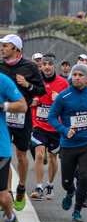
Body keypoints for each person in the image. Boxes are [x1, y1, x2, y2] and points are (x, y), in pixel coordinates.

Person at [48, 64, 87, 222]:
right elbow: (52, 117)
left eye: (80, 75)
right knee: (66, 181)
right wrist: (63, 129)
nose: (76, 77)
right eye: (74, 74)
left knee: (84, 177)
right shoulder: (63, 96)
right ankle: (70, 192)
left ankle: (77, 211)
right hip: (68, 145)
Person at [0, 34, 46, 211]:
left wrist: (27, 85)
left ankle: (21, 187)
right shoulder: (0, 66)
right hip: (3, 116)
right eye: (1, 45)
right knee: (5, 154)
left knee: (21, 156)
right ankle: (8, 192)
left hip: (22, 116)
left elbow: (41, 91)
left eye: (5, 46)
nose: (2, 48)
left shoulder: (30, 67)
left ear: (15, 48)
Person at [30, 54, 69, 200]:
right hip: (39, 124)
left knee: (53, 159)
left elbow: (69, 104)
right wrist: (31, 102)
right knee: (39, 155)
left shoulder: (63, 83)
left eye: (49, 64)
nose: (46, 66)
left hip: (55, 126)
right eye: (44, 64)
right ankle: (39, 187)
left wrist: (59, 98)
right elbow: (25, 98)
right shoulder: (35, 81)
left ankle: (50, 185)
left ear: (54, 66)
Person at [0, 73, 27, 222]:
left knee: (3, 198)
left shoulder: (2, 80)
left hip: (0, 147)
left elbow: (22, 106)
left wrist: (2, 105)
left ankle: (10, 218)